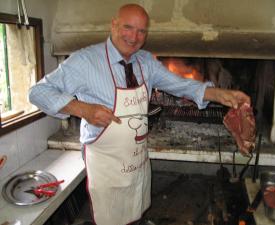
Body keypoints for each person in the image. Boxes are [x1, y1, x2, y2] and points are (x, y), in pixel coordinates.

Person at [29, 4, 250, 225]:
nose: (134, 37)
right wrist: (83, 109)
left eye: (142, 31)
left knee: (135, 212)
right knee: (110, 218)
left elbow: (181, 85)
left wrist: (221, 94)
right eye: (128, 27)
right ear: (114, 25)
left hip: (137, 158)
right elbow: (38, 92)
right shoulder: (85, 61)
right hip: (106, 160)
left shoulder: (145, 61)